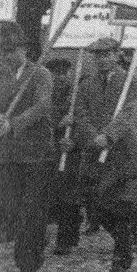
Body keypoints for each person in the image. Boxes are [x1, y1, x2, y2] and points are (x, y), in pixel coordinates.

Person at [0, 24, 55, 272]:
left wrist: (13, 124)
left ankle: (27, 261)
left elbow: (42, 106)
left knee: (31, 207)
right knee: (13, 205)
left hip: (37, 152)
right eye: (4, 51)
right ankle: (36, 239)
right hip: (8, 153)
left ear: (24, 50)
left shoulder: (40, 74)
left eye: (13, 50)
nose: (8, 55)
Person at [72, 36, 137, 272]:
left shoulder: (131, 82)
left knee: (120, 207)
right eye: (98, 56)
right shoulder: (86, 85)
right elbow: (80, 114)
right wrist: (93, 136)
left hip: (124, 153)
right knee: (98, 207)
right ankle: (124, 241)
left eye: (107, 55)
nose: (102, 60)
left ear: (117, 55)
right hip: (96, 153)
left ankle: (121, 258)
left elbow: (128, 114)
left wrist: (109, 135)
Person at [48, 56, 83, 255]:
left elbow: (86, 122)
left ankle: (67, 239)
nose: (60, 77)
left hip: (70, 153)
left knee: (69, 197)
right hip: (48, 151)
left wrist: (74, 139)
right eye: (56, 73)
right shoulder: (45, 95)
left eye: (64, 73)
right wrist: (57, 124)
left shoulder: (76, 97)